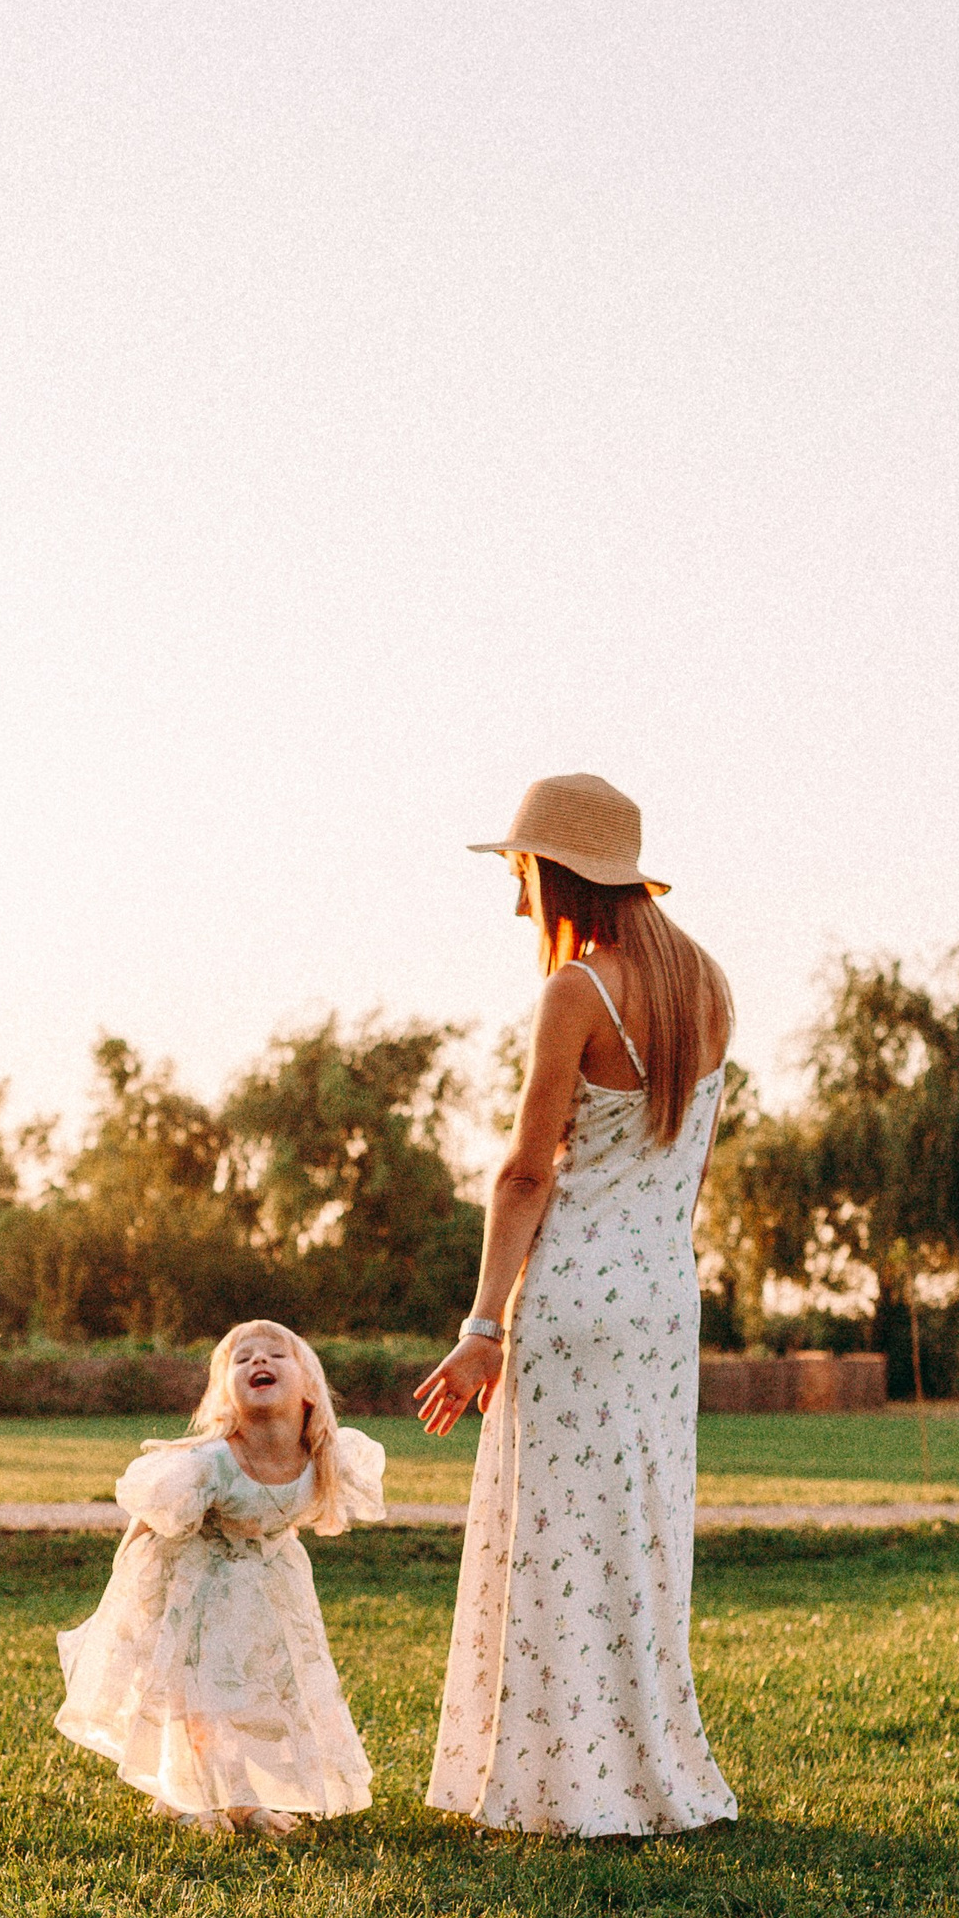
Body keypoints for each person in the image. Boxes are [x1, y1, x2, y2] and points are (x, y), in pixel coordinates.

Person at [419, 772, 738, 1838]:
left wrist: (482, 1325)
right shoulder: (710, 987)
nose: (518, 899)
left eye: (522, 874)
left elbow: (525, 1173)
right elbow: (688, 1170)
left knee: (557, 1537)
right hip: (661, 1297)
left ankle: (561, 1783)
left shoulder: (578, 991)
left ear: (558, 874)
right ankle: (644, 1772)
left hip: (572, 1299)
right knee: (637, 1533)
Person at [55, 1319, 387, 1835]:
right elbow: (148, 1519)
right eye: (242, 1358)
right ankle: (182, 1796)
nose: (259, 1361)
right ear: (224, 1394)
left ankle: (243, 1800)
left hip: (268, 1589)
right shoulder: (209, 1462)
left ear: (308, 1386)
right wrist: (123, 1587)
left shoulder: (325, 1456)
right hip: (197, 1586)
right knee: (198, 1698)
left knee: (256, 1694)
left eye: (276, 1354)